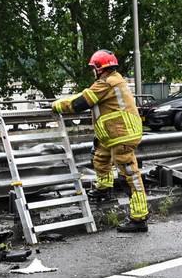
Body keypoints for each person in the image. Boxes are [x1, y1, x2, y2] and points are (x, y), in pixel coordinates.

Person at [52, 50, 149, 232]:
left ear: (99, 68)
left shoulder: (107, 83)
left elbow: (80, 103)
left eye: (93, 68)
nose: (92, 71)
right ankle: (103, 189)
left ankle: (139, 218)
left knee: (129, 176)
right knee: (100, 157)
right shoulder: (112, 80)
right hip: (113, 135)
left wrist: (57, 105)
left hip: (122, 135)